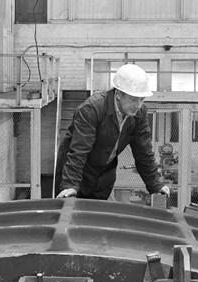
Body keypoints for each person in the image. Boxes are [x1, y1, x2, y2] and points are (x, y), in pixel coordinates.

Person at [55, 64, 170, 200]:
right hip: (76, 175)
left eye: (142, 99)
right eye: (133, 99)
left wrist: (155, 184)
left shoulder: (139, 114)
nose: (138, 105)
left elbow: (143, 152)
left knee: (100, 219)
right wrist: (70, 185)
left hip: (104, 177)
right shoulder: (92, 109)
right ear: (118, 94)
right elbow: (79, 151)